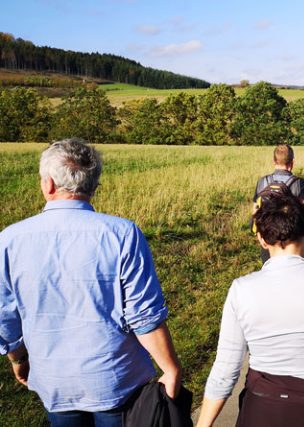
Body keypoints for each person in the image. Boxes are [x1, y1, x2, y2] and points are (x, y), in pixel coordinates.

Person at [0, 138, 182, 425]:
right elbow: (144, 315)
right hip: (116, 379)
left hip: (53, 380)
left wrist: (19, 359)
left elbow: (5, 316)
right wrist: (170, 368)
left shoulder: (9, 239)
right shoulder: (122, 234)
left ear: (48, 184)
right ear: (93, 184)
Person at [198, 194, 304, 427]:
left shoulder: (241, 289)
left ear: (261, 240)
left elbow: (225, 370)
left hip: (260, 410)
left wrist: (203, 424)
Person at [254, 144, 304, 263]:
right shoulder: (300, 184)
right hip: (293, 238)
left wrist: (258, 233)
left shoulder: (262, 182)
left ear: (274, 161)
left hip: (268, 235)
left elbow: (255, 209)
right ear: (292, 162)